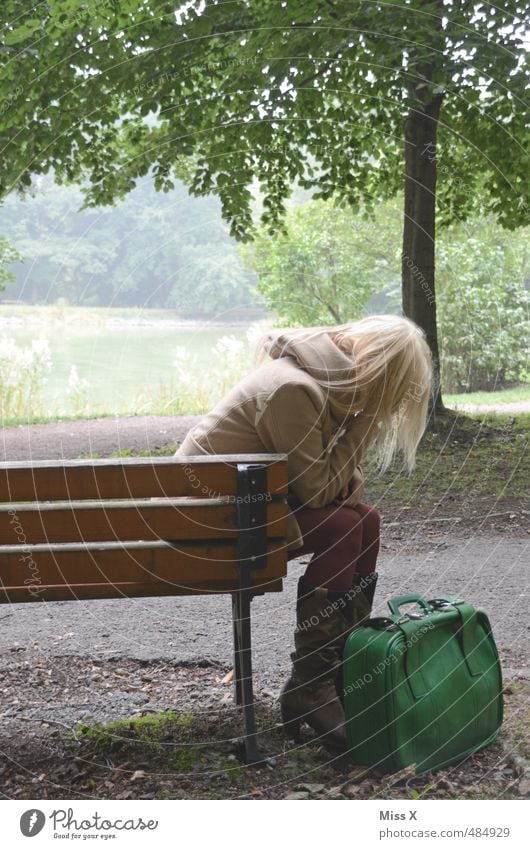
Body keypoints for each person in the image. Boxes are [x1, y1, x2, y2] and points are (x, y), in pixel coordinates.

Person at [176, 315, 433, 751]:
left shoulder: (316, 383)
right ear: (380, 375)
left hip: (245, 513)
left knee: (365, 522)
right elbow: (317, 493)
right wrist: (364, 424)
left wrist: (346, 475)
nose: (387, 407)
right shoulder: (293, 389)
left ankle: (329, 677)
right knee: (343, 526)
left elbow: (321, 480)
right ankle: (311, 689)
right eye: (391, 393)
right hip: (205, 527)